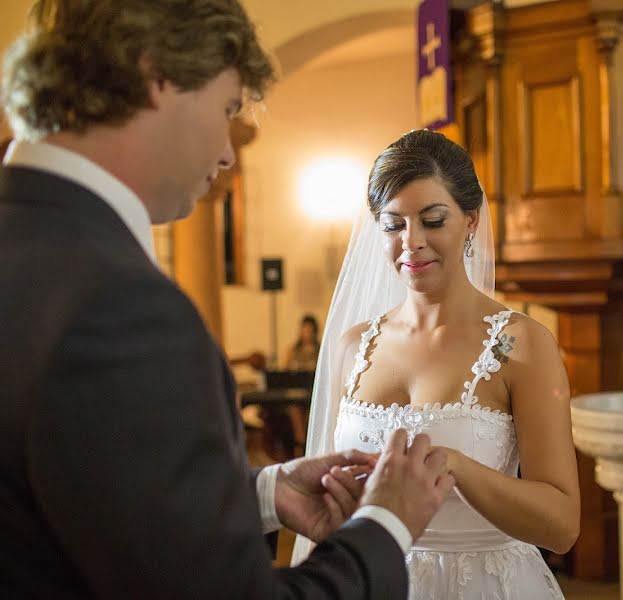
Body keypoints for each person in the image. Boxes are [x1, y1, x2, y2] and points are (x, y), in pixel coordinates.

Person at [0, 1, 453, 598]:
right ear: (155, 73)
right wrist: (386, 523)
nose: (227, 154)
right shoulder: (122, 308)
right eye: (227, 109)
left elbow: (68, 490)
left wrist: (260, 493)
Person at [292, 130, 580, 599]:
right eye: (393, 224)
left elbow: (562, 526)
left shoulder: (519, 344)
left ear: (469, 220)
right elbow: (318, 506)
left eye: (431, 220)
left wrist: (456, 466)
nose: (411, 243)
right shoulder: (351, 347)